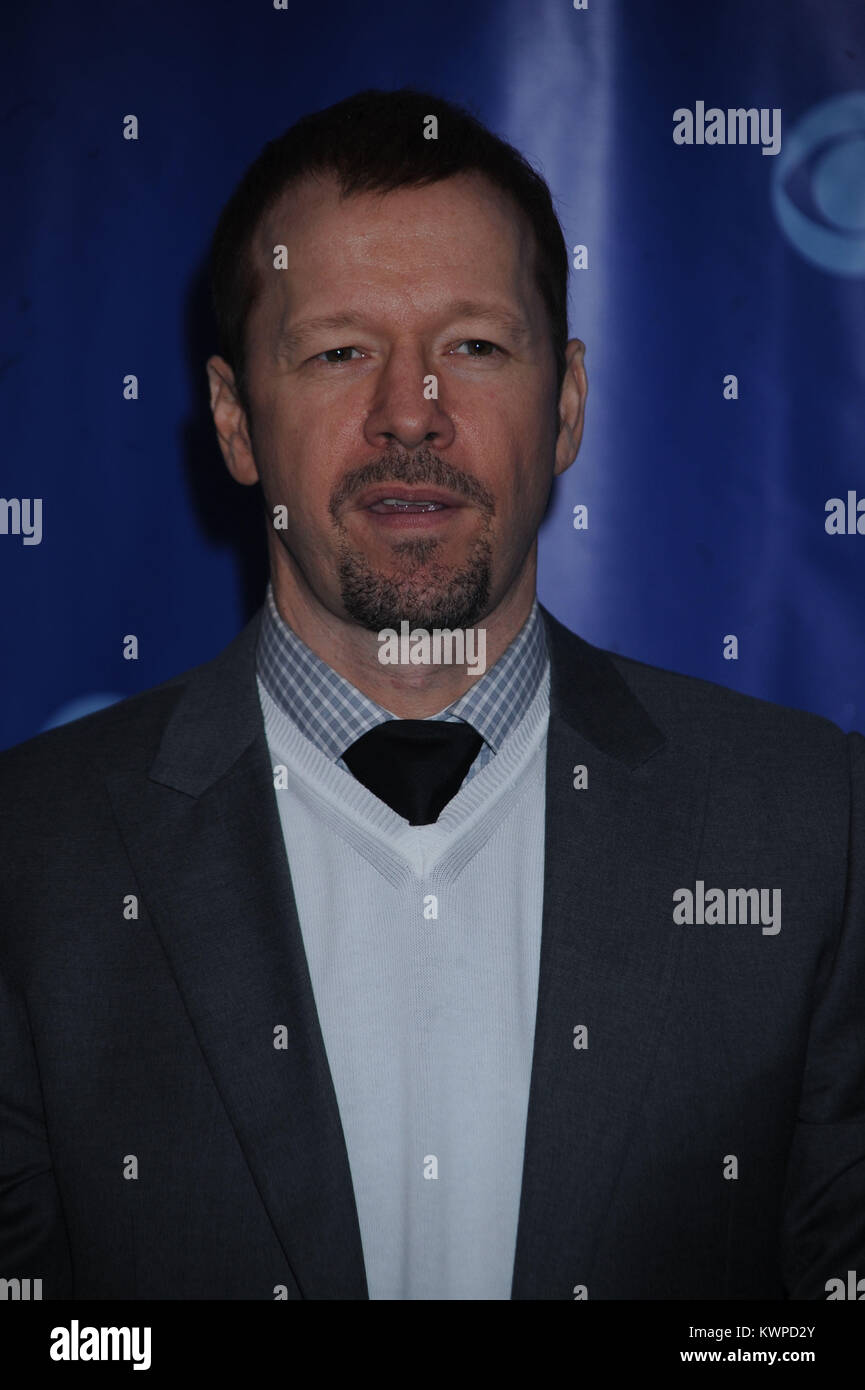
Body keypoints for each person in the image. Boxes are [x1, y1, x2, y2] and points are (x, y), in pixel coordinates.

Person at [1, 88, 863, 1302]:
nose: (412, 412)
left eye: (473, 345)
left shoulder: (809, 825)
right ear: (238, 421)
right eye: (340, 351)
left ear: (564, 404)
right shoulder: (29, 855)